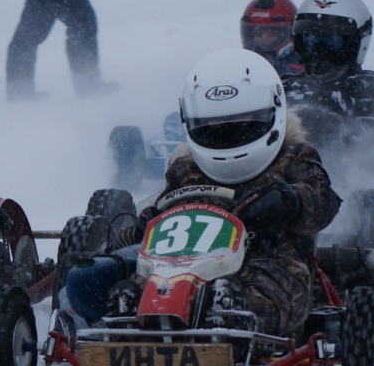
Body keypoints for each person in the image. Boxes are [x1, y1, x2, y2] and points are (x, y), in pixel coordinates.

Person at [65, 50, 340, 338]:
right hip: (178, 261)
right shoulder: (185, 167)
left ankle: (230, 324)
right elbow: (164, 209)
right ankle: (130, 326)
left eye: (243, 121)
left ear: (272, 110)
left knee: (258, 298)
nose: (227, 131)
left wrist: (290, 200)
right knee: (124, 287)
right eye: (215, 126)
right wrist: (146, 222)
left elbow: (323, 201)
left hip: (267, 256)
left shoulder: (293, 156)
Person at [283, 0, 374, 146]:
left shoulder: (373, 88)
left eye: (332, 42)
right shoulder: (283, 86)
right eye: (310, 41)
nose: (319, 51)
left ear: (357, 44)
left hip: (343, 169)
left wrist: (333, 128)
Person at [240, 0, 300, 74]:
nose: (264, 39)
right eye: (258, 34)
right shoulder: (242, 64)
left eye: (272, 34)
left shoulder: (300, 70)